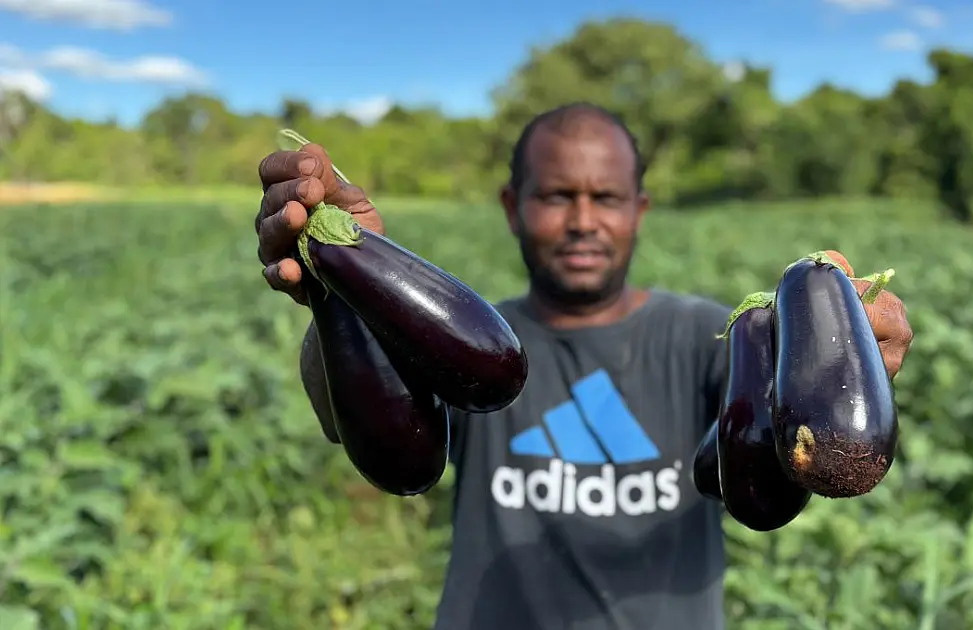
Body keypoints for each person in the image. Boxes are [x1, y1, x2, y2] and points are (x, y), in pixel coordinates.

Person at [254, 102, 914, 630]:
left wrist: (838, 363)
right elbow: (372, 433)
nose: (583, 221)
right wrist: (343, 283)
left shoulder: (706, 337)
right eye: (556, 196)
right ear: (513, 208)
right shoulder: (469, 344)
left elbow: (763, 471)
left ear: (640, 211)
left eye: (607, 197)